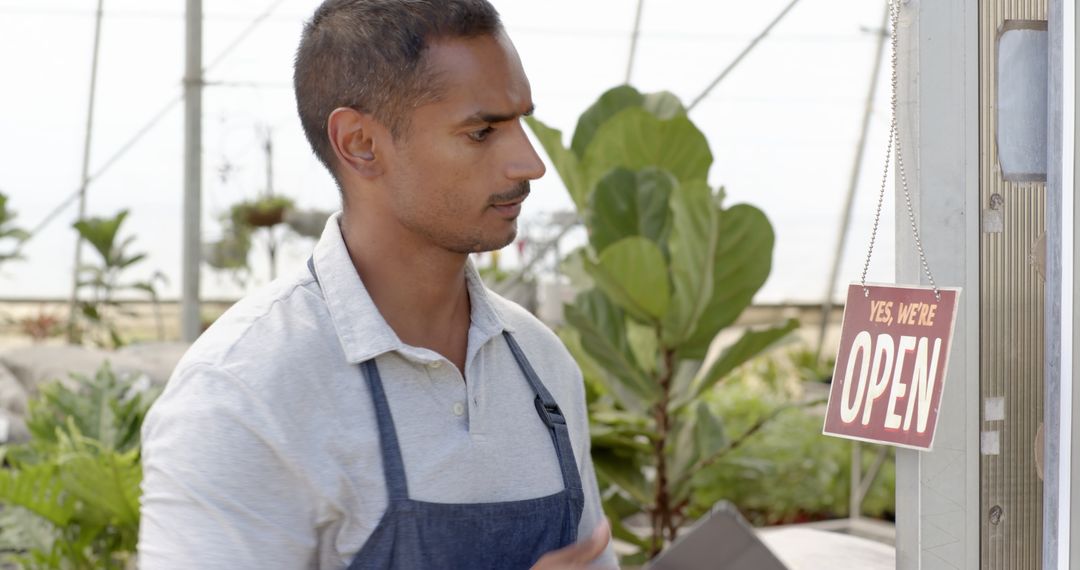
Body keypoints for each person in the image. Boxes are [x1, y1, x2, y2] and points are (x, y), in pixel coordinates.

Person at [137, 0, 618, 568]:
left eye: (522, 123)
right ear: (360, 144)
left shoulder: (541, 364)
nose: (530, 163)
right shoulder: (244, 395)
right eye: (482, 131)